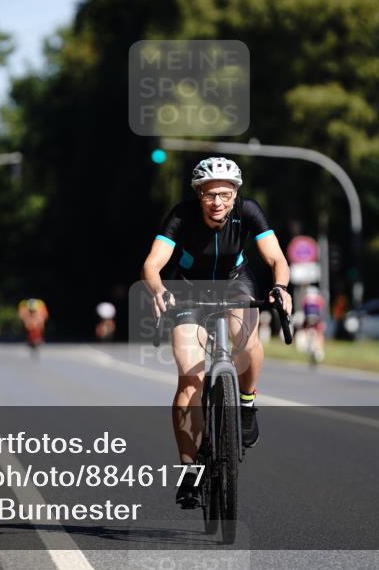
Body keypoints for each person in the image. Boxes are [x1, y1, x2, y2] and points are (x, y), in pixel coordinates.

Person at [141, 157, 292, 509]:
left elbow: (276, 259)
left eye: (225, 194)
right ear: (198, 195)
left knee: (248, 341)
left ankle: (248, 403)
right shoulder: (181, 216)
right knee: (190, 380)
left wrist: (281, 287)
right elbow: (152, 264)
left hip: (235, 285)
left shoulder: (249, 211)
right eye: (209, 195)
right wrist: (157, 290)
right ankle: (189, 470)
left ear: (235, 193)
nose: (217, 202)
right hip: (188, 290)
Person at [301, 285, 326, 363]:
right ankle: (319, 350)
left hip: (308, 319)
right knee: (320, 333)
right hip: (317, 319)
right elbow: (322, 309)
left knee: (305, 330)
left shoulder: (305, 299)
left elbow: (303, 309)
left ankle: (308, 345)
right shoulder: (319, 299)